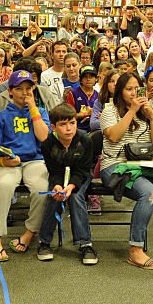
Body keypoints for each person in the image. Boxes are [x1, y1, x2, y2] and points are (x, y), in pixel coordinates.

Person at [99, 72, 153, 269]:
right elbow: (113, 136)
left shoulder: (144, 113)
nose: (133, 93)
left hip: (143, 166)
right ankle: (136, 250)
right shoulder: (109, 111)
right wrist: (131, 111)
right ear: (120, 92)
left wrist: (152, 117)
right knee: (149, 192)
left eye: (136, 89)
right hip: (115, 166)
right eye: (128, 89)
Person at [0, 70, 51, 262]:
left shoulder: (41, 113)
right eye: (19, 89)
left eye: (28, 89)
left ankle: (29, 234)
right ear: (11, 92)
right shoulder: (1, 117)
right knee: (4, 187)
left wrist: (33, 109)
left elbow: (44, 138)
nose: (24, 93)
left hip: (35, 160)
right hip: (9, 163)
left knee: (42, 189)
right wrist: (3, 160)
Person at [35, 103, 97, 265]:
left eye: (72, 123)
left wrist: (70, 187)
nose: (69, 128)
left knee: (76, 197)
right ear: (54, 127)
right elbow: (53, 170)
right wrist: (57, 186)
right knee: (55, 197)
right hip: (60, 174)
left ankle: (85, 244)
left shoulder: (85, 141)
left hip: (81, 175)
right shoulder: (48, 143)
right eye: (63, 124)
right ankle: (44, 242)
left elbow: (84, 170)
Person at [65, 64, 98, 131]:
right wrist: (85, 114)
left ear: (96, 79)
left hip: (95, 128)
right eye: (85, 77)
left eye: (91, 77)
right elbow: (69, 116)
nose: (88, 79)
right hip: (78, 128)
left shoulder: (98, 95)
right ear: (80, 79)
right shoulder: (73, 93)